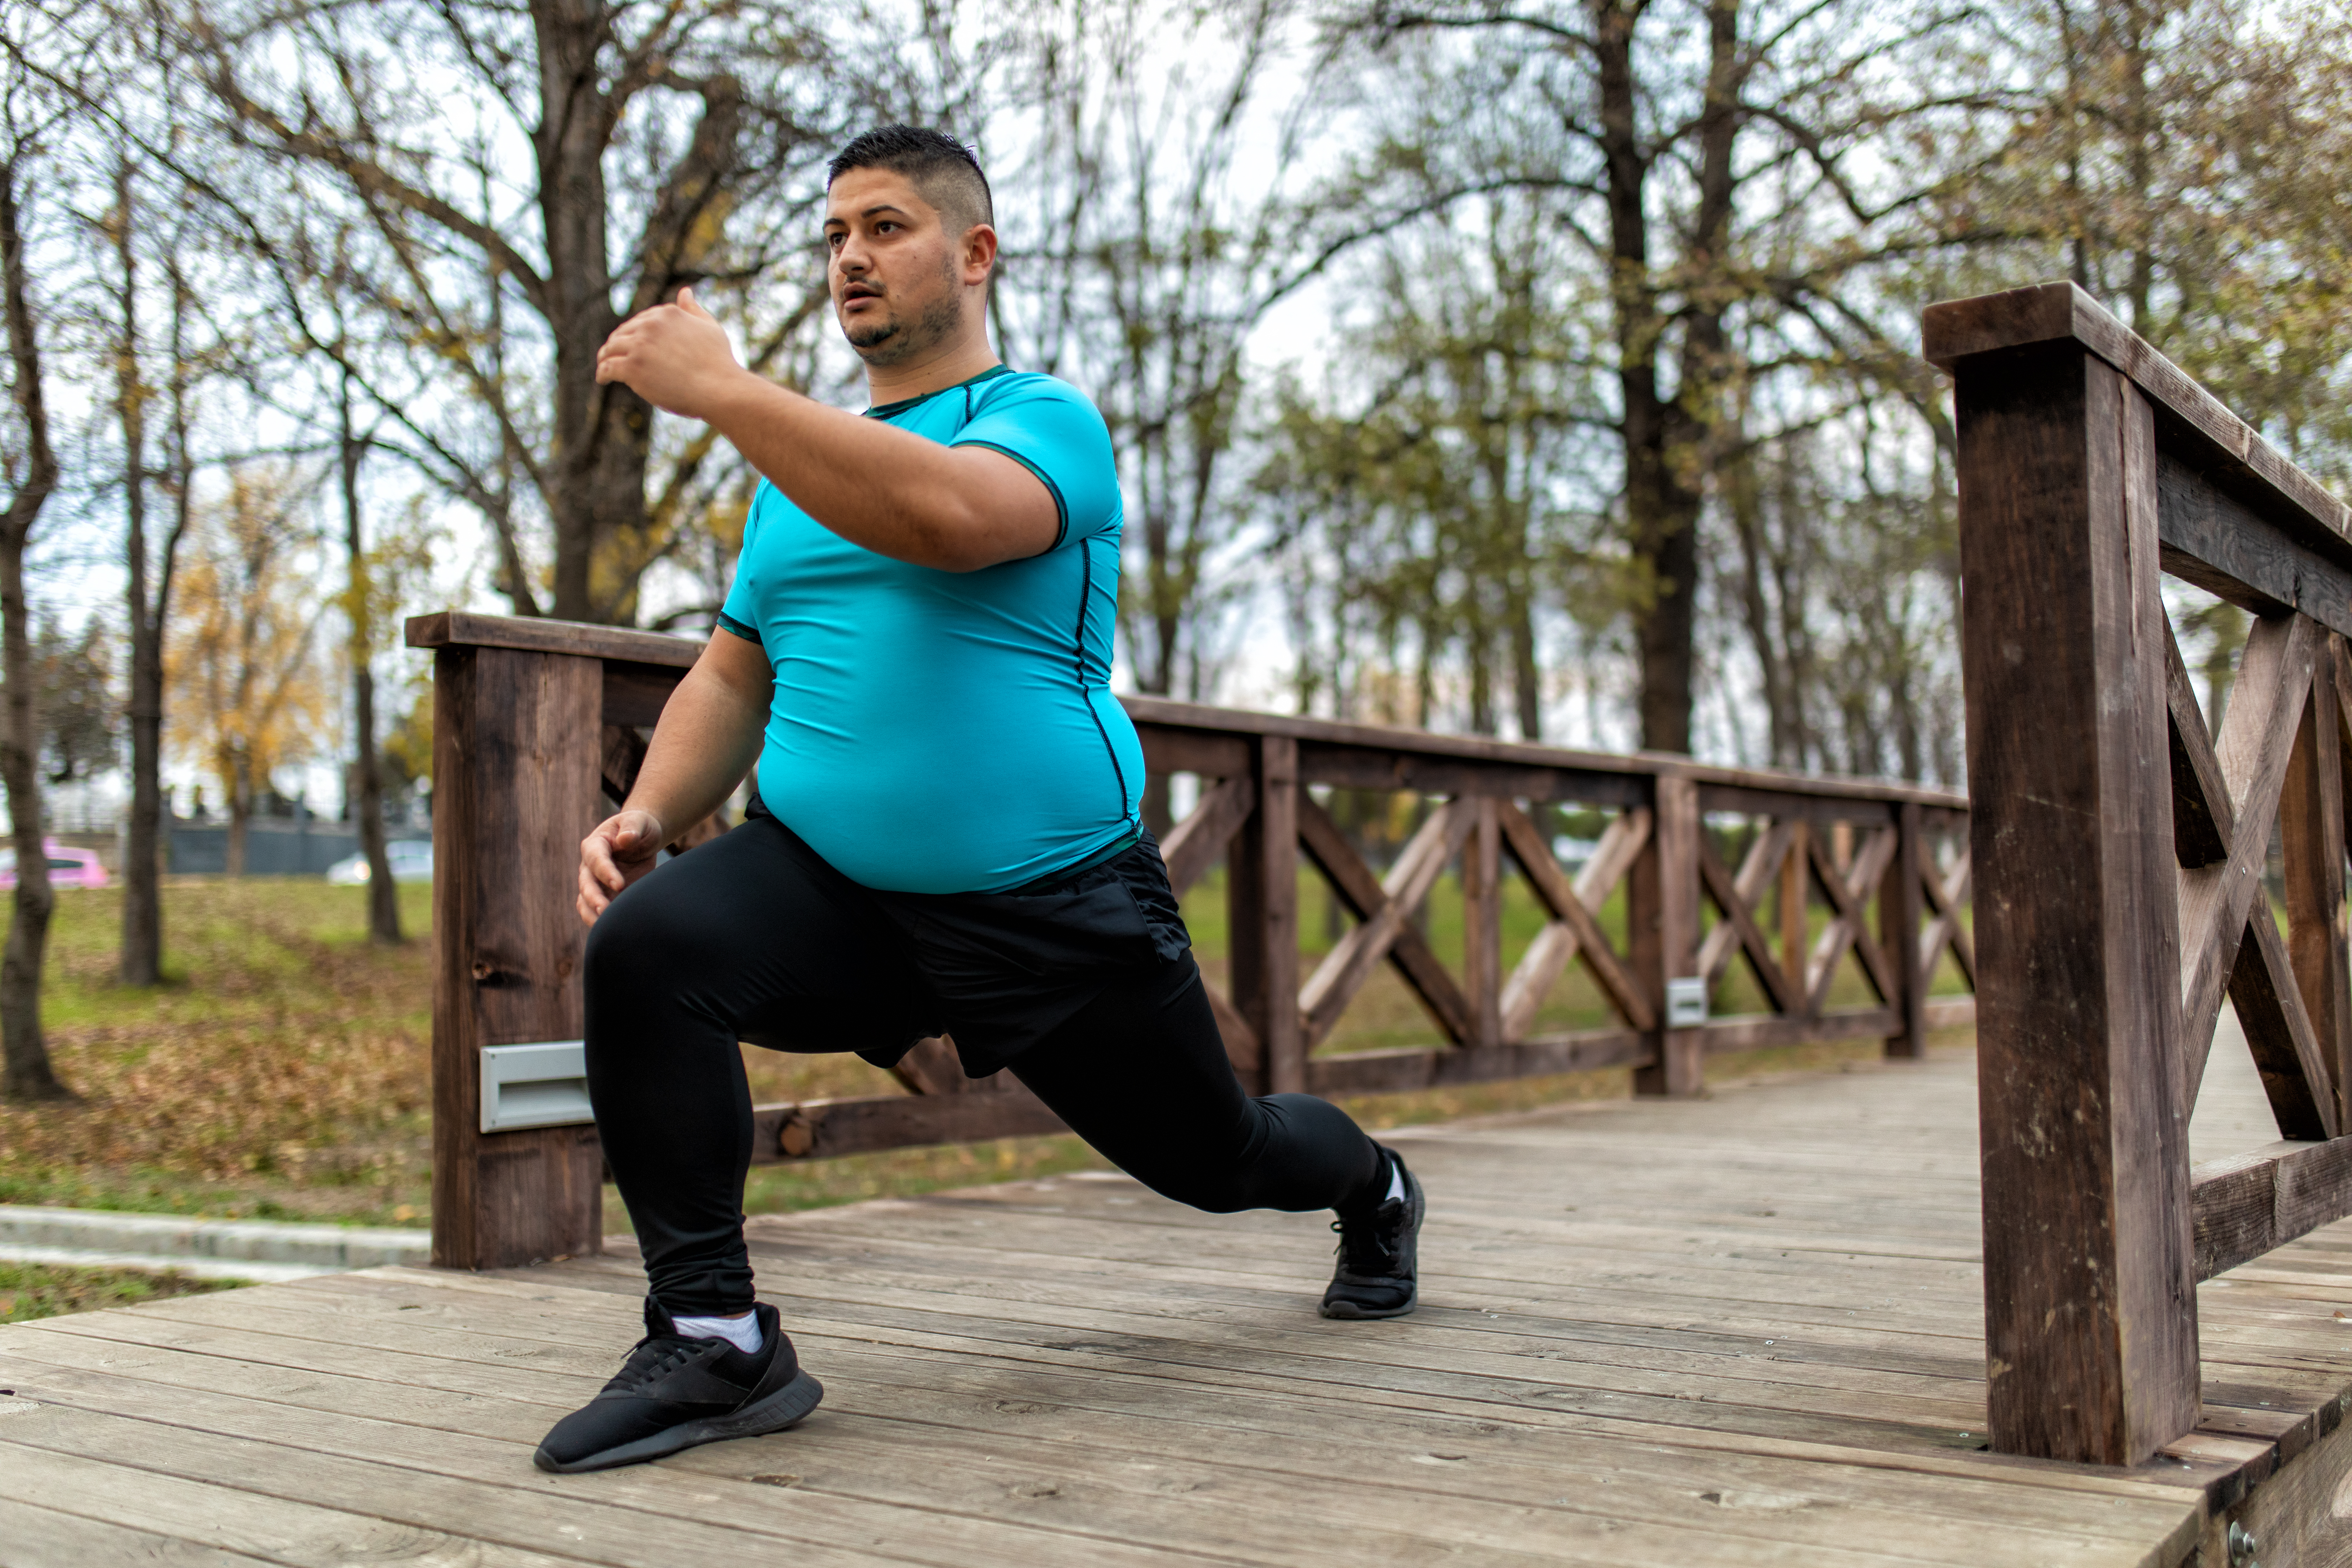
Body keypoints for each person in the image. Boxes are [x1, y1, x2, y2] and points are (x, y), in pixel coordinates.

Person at [533, 126, 1423, 1477]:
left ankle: (1375, 1184)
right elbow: (735, 666)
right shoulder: (795, 474)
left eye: (885, 227)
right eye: (834, 236)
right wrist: (651, 813)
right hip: (835, 885)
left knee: (1216, 1156)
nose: (850, 259)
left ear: (975, 252)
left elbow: (951, 522)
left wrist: (726, 392)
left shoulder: (1038, 420)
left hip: (1049, 899)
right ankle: (713, 1334)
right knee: (648, 953)